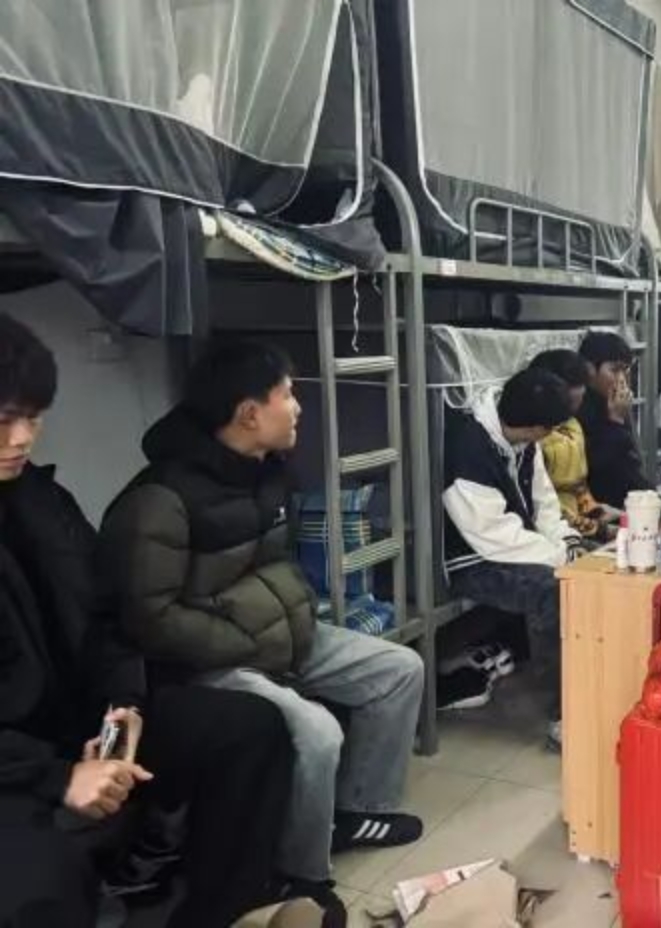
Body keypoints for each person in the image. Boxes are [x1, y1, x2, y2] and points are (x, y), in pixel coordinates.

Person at [99, 340, 425, 914]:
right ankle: (298, 872)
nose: (298, 407)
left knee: (399, 669)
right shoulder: (158, 501)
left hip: (279, 636)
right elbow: (150, 617)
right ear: (249, 413)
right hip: (211, 659)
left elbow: (267, 567)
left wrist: (287, 624)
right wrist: (246, 644)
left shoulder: (264, 470)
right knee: (317, 732)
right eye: (288, 394)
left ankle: (356, 811)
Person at [0, 315, 302, 928]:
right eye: (5, 420)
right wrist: (57, 778)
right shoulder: (161, 498)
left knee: (250, 728)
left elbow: (104, 613)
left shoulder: (39, 501)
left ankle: (219, 914)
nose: (23, 437)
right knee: (38, 880)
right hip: (15, 761)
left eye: (33, 417)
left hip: (74, 719)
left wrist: (123, 708)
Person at [442, 368, 584, 748]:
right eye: (549, 429)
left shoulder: (523, 440)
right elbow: (491, 536)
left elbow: (544, 502)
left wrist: (567, 543)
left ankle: (593, 684)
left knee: (590, 564)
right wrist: (559, 557)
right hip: (472, 559)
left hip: (516, 545)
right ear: (537, 427)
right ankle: (565, 713)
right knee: (551, 590)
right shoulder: (468, 447)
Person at [529, 349, 614, 543]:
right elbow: (547, 510)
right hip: (553, 532)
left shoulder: (573, 426)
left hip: (581, 525)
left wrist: (597, 513)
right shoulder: (536, 438)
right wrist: (603, 531)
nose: (582, 393)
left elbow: (580, 488)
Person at [577, 331, 652, 508]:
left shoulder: (610, 401)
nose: (621, 379)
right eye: (614, 370)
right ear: (589, 369)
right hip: (602, 502)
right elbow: (596, 467)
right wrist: (616, 419)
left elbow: (631, 461)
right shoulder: (578, 407)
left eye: (625, 370)